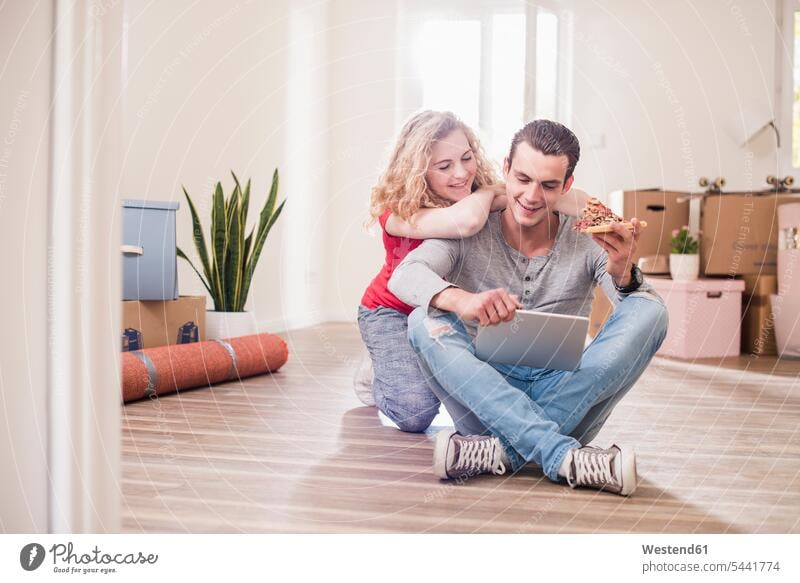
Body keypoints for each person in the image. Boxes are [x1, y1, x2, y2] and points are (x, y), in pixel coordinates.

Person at [388, 119, 668, 496]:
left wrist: (621, 272)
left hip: (565, 389)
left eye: (549, 185)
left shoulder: (586, 237)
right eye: (522, 179)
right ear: (505, 169)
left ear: (567, 186)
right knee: (424, 320)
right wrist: (464, 300)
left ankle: (499, 452)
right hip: (483, 395)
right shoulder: (470, 230)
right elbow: (405, 275)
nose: (532, 196)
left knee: (652, 311)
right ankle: (562, 455)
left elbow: (631, 307)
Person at [356, 110, 505, 432]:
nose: (462, 173)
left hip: (446, 311)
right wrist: (488, 192)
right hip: (389, 311)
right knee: (414, 414)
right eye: (444, 166)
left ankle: (407, 362)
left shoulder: (476, 198)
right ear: (418, 171)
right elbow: (465, 222)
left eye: (467, 158)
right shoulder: (397, 213)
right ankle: (376, 373)